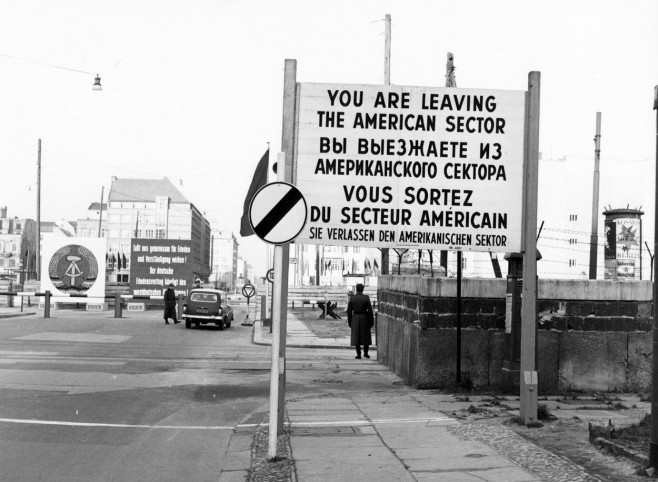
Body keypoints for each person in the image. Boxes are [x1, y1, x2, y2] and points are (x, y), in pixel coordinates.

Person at [347, 283, 374, 359]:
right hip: (364, 317)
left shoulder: (352, 298)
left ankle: (358, 354)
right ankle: (366, 352)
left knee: (356, 335)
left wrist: (350, 321)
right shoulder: (366, 298)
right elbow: (370, 310)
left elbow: (349, 311)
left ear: (356, 289)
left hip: (355, 317)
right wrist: (371, 321)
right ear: (363, 289)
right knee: (365, 335)